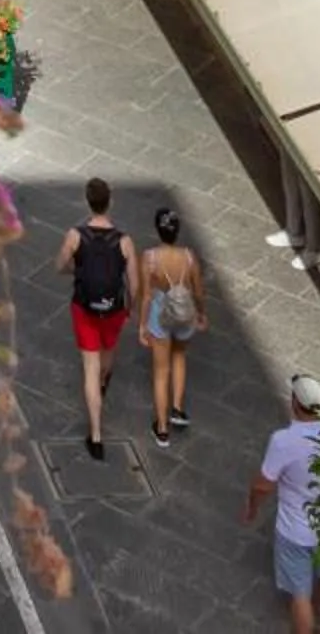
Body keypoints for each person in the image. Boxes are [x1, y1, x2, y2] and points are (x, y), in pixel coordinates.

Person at [245, 375, 320, 634]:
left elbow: (264, 484)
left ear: (294, 403)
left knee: (300, 594)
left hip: (294, 531)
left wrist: (253, 505)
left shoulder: (283, 441)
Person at [57, 177, 138, 460]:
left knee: (89, 367)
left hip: (84, 309)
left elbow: (61, 265)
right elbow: (134, 283)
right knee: (108, 354)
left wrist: (77, 271)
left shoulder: (75, 235)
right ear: (110, 201)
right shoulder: (125, 242)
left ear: (87, 201)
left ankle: (96, 436)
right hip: (113, 310)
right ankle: (104, 380)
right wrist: (131, 308)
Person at [137, 204, 207, 445]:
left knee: (160, 372)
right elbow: (198, 290)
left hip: (160, 313)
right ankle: (177, 408)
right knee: (179, 357)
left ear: (158, 230)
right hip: (184, 312)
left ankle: (162, 428)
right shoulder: (189, 257)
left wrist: (142, 325)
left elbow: (146, 295)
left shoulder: (150, 258)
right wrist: (201, 313)